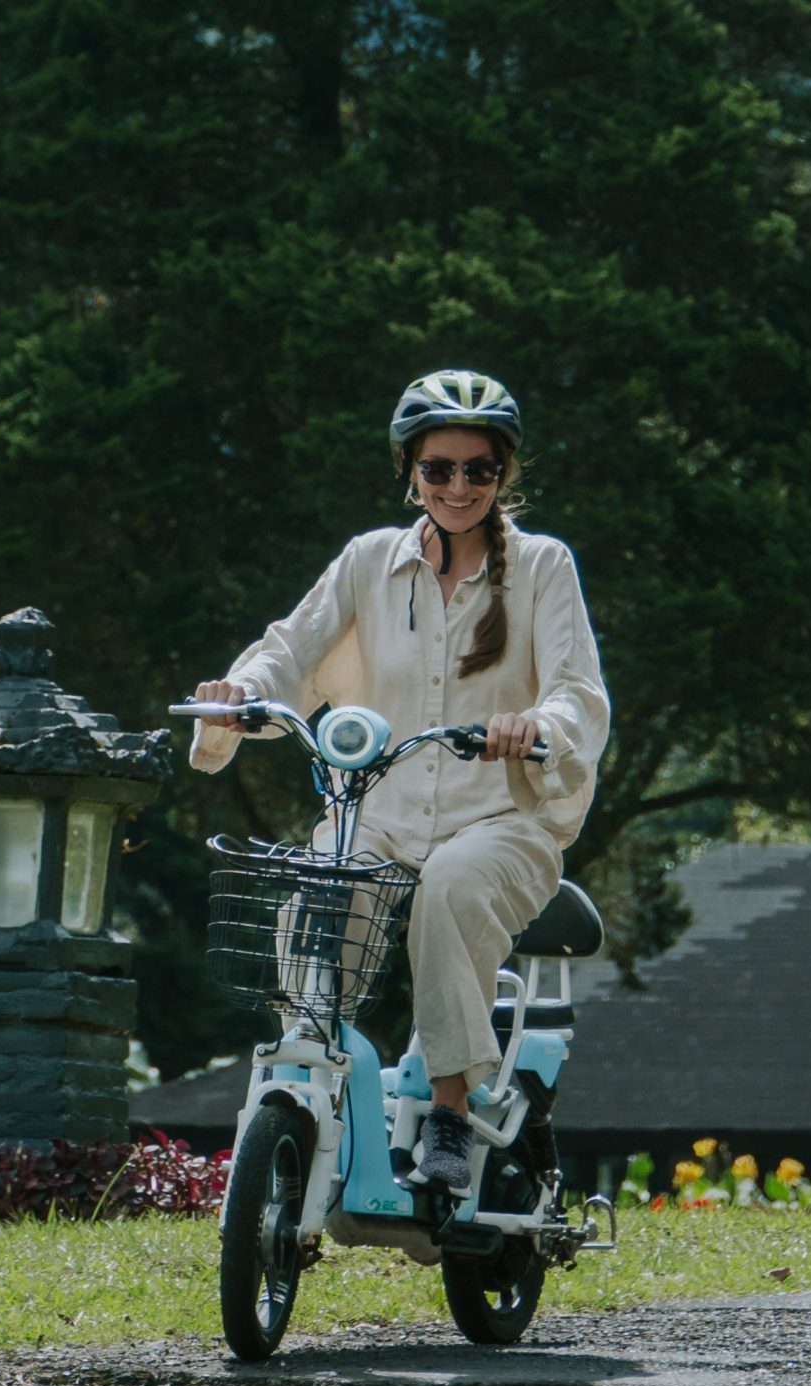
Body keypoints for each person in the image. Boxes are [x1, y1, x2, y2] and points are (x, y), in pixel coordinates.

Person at [188, 368, 609, 1197]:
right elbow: (289, 650)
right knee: (321, 887)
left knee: (451, 885)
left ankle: (450, 1110)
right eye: (438, 468)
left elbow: (577, 693)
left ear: (504, 473)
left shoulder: (542, 567)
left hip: (502, 820)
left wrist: (536, 728)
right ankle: (309, 1082)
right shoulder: (368, 562)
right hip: (378, 815)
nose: (458, 487)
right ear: (410, 471)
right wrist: (240, 693)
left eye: (479, 469)